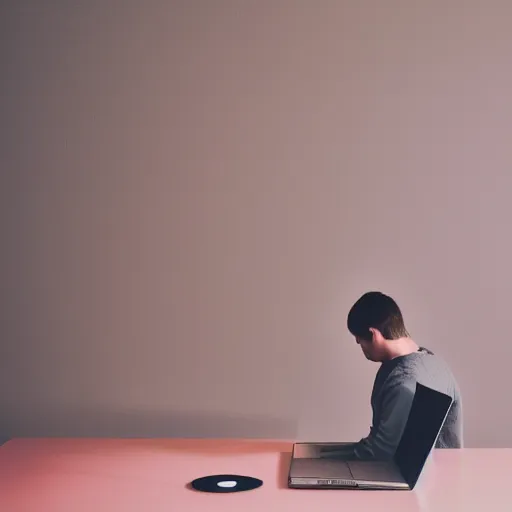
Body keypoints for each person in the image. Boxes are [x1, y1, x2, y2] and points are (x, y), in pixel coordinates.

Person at [323, 291, 463, 460]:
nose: (359, 346)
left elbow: (380, 455)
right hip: (444, 477)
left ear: (374, 335)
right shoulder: (437, 364)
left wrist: (321, 460)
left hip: (405, 480)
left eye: (360, 341)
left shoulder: (403, 381)